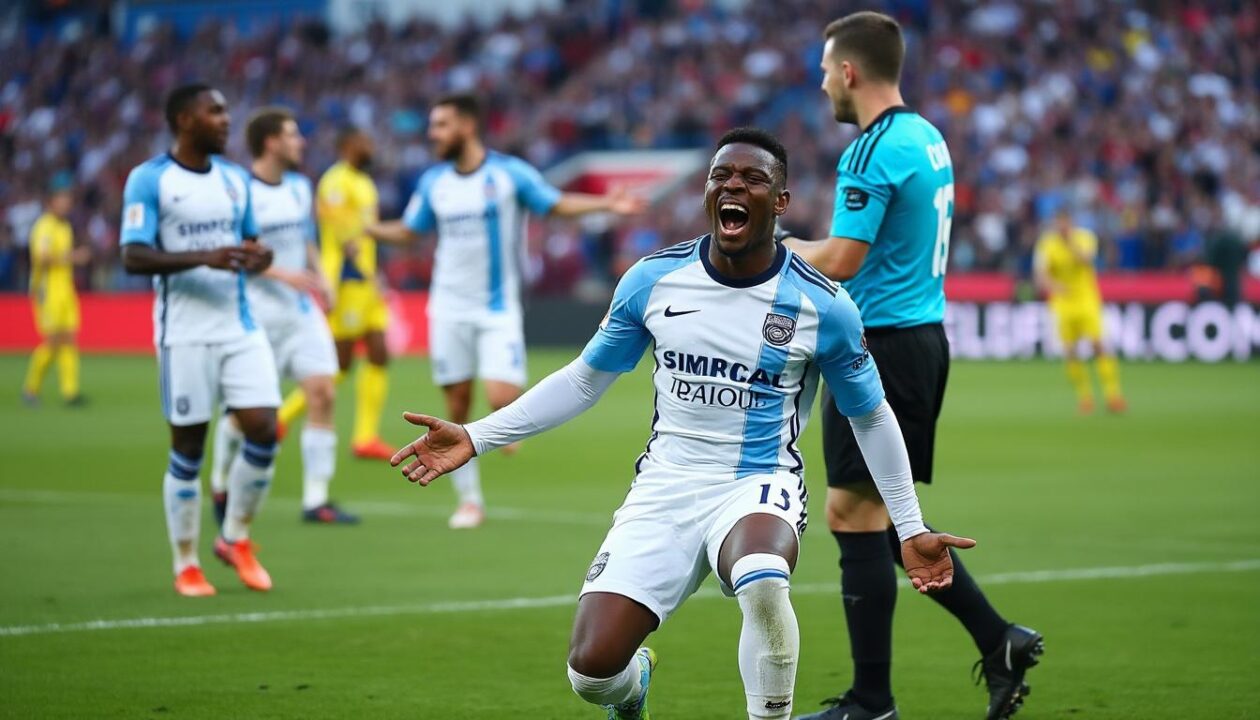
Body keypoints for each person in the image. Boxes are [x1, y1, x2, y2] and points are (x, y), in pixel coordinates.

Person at [389, 128, 974, 720]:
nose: (733, 186)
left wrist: (908, 526)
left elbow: (871, 417)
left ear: (780, 202)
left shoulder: (824, 306)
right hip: (665, 486)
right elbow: (584, 380)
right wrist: (477, 435)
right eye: (722, 176)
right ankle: (633, 685)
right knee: (591, 673)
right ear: (707, 194)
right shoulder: (652, 280)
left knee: (763, 578)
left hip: (758, 484)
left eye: (753, 179)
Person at [785, 13, 1042, 720]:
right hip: (920, 338)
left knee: (855, 514)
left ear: (848, 73)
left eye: (823, 69)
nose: (819, 82)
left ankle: (874, 701)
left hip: (883, 346)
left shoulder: (869, 151)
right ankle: (998, 641)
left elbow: (841, 258)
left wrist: (773, 249)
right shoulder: (927, 136)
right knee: (873, 515)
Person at [368, 93, 645, 529]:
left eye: (441, 125)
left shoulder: (509, 173)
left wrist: (606, 205)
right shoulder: (434, 183)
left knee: (500, 397)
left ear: (467, 126)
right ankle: (470, 500)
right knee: (456, 402)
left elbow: (553, 203)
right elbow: (409, 230)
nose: (433, 134)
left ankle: (502, 430)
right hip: (448, 308)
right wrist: (369, 231)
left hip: (497, 309)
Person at [120, 84, 281, 597]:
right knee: (189, 447)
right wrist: (203, 256)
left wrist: (261, 258)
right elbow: (133, 255)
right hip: (183, 334)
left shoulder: (236, 180)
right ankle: (186, 562)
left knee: (265, 428)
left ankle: (235, 537)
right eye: (216, 111)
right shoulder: (150, 180)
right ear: (185, 119)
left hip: (238, 326)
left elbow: (253, 245)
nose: (227, 119)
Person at [209, 107, 358, 526]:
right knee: (247, 414)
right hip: (255, 314)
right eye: (293, 135)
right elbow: (233, 252)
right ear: (271, 142)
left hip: (299, 310)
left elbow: (306, 239)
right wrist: (281, 273)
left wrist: (321, 279)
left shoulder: (298, 186)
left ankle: (316, 500)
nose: (301, 142)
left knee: (323, 392)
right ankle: (220, 482)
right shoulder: (240, 191)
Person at [277, 127, 394, 461]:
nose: (370, 146)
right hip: (346, 278)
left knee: (379, 352)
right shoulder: (335, 182)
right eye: (364, 141)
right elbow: (346, 236)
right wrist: (369, 276)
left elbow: (367, 234)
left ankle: (366, 437)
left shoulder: (364, 182)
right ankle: (280, 419)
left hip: (366, 280)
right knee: (340, 361)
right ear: (347, 145)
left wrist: (375, 275)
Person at [1034, 208, 1126, 414]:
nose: (1063, 227)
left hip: (1086, 299)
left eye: (1066, 223)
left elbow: (1087, 259)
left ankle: (1113, 395)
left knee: (1098, 345)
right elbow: (1041, 275)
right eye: (1059, 223)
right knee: (1070, 351)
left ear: (1071, 223)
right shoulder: (1047, 244)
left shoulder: (1085, 237)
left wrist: (1070, 243)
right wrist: (1054, 286)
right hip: (1063, 303)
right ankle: (1085, 398)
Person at [22, 173, 89, 407]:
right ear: (51, 201)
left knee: (69, 339)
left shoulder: (64, 227)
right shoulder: (45, 227)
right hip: (47, 289)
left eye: (67, 197)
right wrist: (74, 256)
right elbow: (41, 257)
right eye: (62, 198)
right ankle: (31, 389)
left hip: (64, 288)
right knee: (53, 341)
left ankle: (70, 392)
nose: (66, 202)